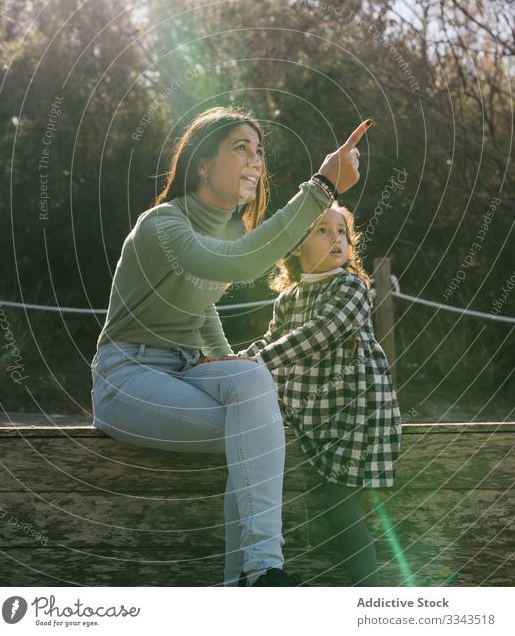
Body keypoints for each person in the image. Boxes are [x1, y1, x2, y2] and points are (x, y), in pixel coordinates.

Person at [91, 105, 371, 587]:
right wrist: (321, 189)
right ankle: (252, 575)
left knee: (251, 378)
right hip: (127, 377)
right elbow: (239, 264)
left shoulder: (230, 229)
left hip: (188, 367)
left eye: (259, 151)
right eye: (240, 148)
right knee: (255, 430)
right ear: (202, 163)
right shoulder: (163, 225)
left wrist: (228, 357)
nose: (255, 160)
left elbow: (200, 306)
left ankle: (259, 572)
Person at [237, 202, 402, 586]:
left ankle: (372, 599)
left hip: (357, 412)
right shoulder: (288, 299)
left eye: (342, 231)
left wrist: (257, 362)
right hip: (315, 414)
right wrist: (233, 361)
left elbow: (322, 332)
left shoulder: (350, 287)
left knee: (340, 508)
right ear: (295, 245)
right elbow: (272, 341)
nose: (337, 239)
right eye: (323, 231)